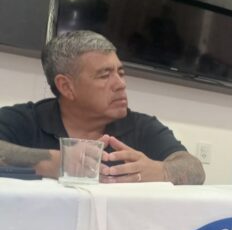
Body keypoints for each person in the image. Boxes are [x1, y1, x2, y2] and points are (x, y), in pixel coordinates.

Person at [0, 30, 205, 184]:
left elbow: (195, 170)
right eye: (105, 75)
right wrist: (56, 163)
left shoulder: (142, 127)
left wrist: (161, 171)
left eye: (120, 73)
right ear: (66, 86)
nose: (120, 84)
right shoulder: (26, 120)